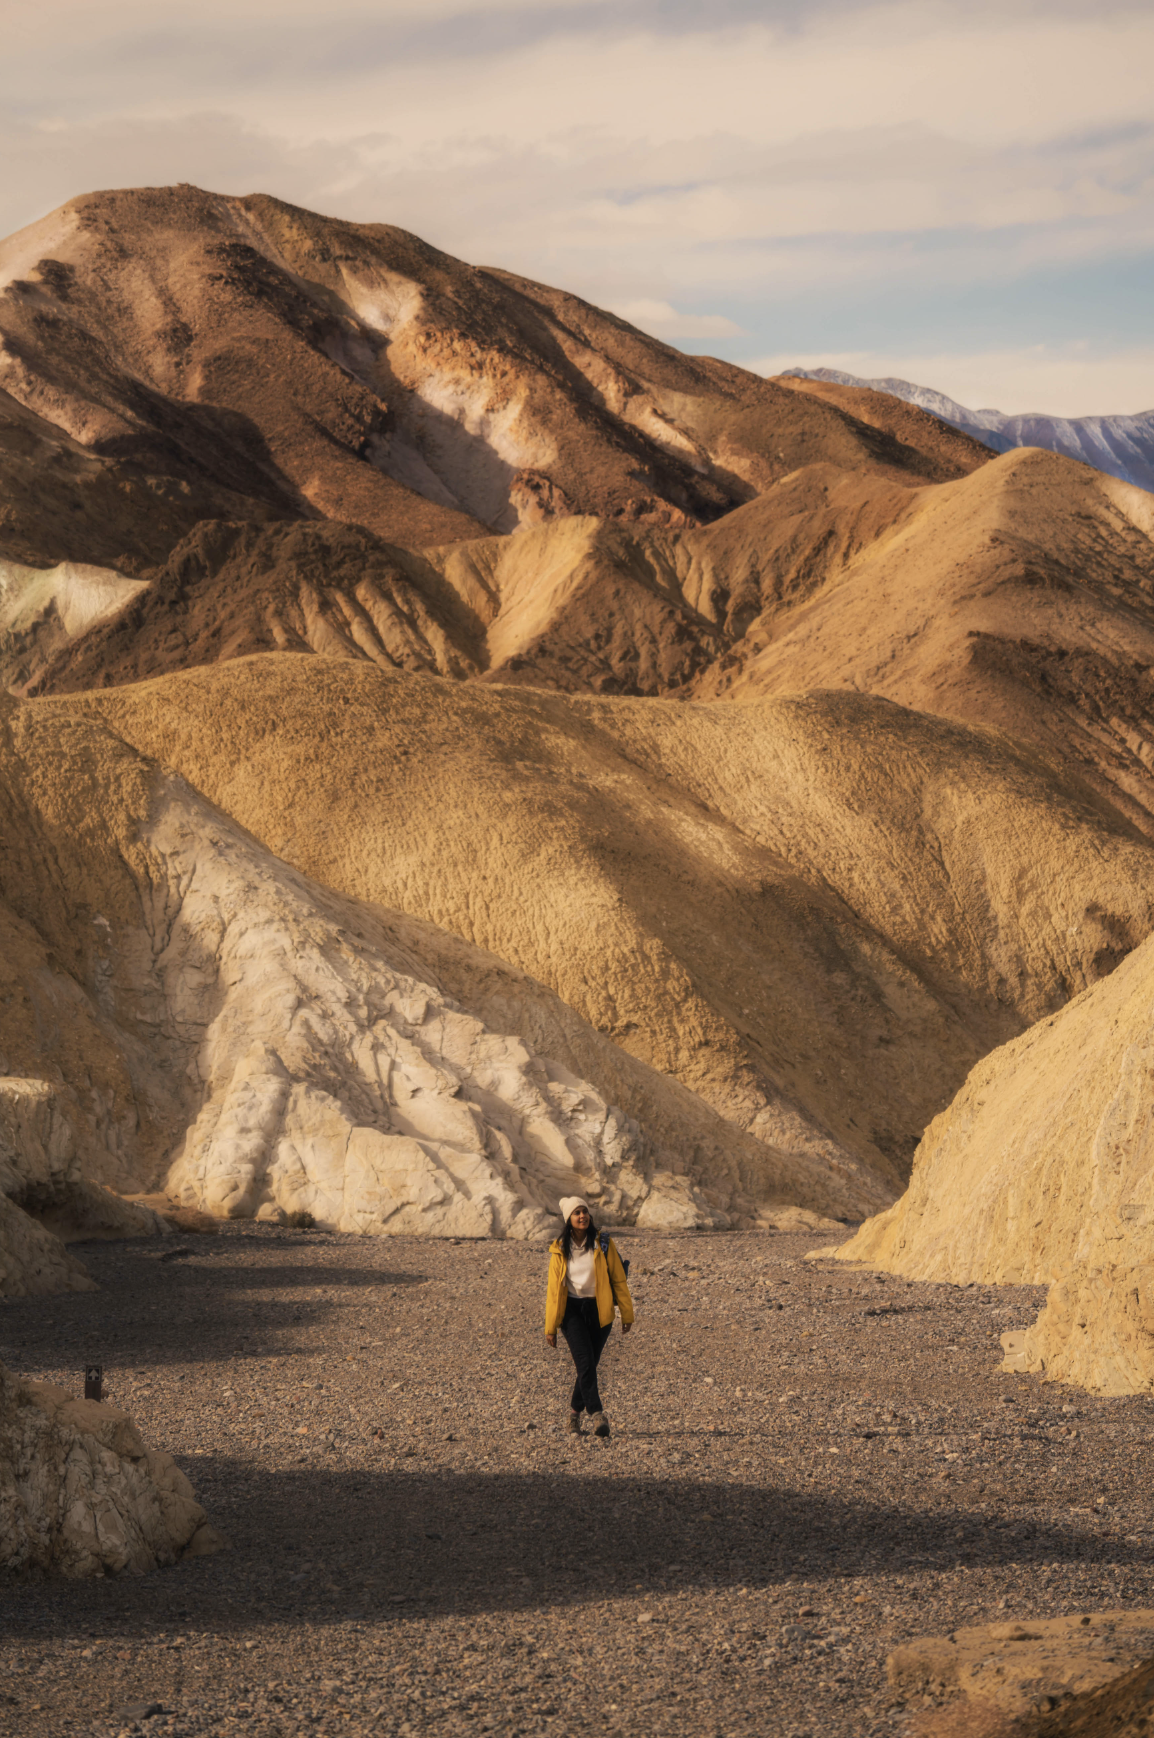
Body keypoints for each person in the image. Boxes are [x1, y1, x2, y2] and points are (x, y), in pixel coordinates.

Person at [544, 1195, 634, 1437]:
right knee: (585, 1363)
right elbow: (554, 1291)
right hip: (571, 1312)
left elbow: (618, 1279)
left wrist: (627, 1314)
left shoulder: (603, 1243)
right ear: (569, 1219)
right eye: (576, 1213)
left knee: (588, 1366)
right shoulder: (559, 1248)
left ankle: (573, 1416)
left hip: (600, 1311)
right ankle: (597, 1414)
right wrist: (550, 1327)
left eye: (584, 1211)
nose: (582, 1216)